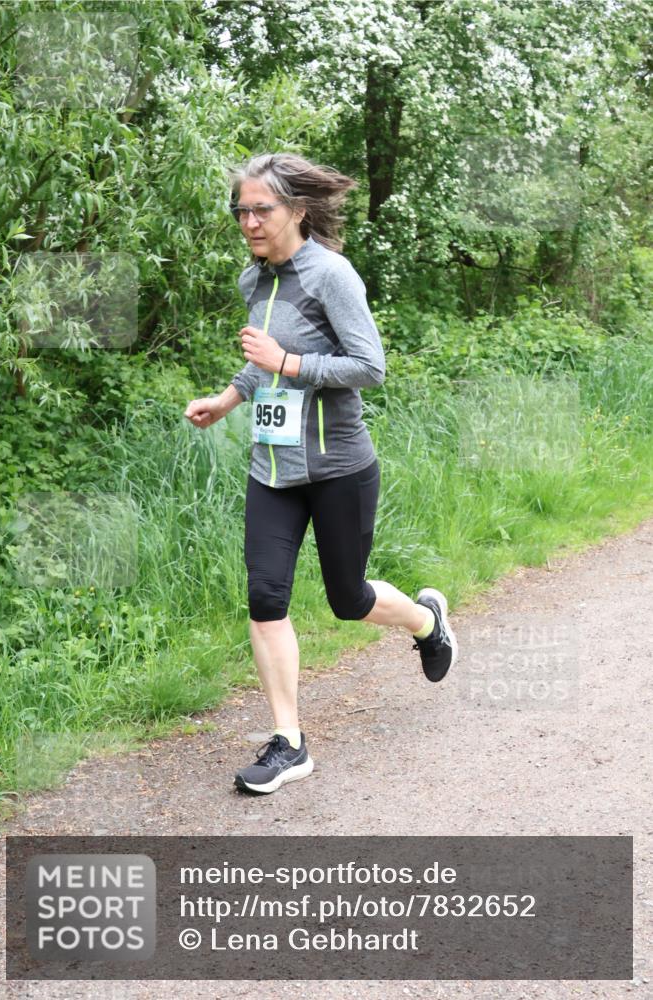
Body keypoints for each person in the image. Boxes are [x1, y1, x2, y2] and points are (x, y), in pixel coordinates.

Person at [184, 153, 458, 795]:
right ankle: (290, 742)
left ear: (298, 211)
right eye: (241, 211)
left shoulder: (332, 275)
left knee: (347, 598)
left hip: (338, 467)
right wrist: (228, 398)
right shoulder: (252, 281)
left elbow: (369, 366)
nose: (249, 221)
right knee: (265, 597)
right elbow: (262, 363)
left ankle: (426, 622)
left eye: (262, 210)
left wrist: (293, 362)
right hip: (272, 469)